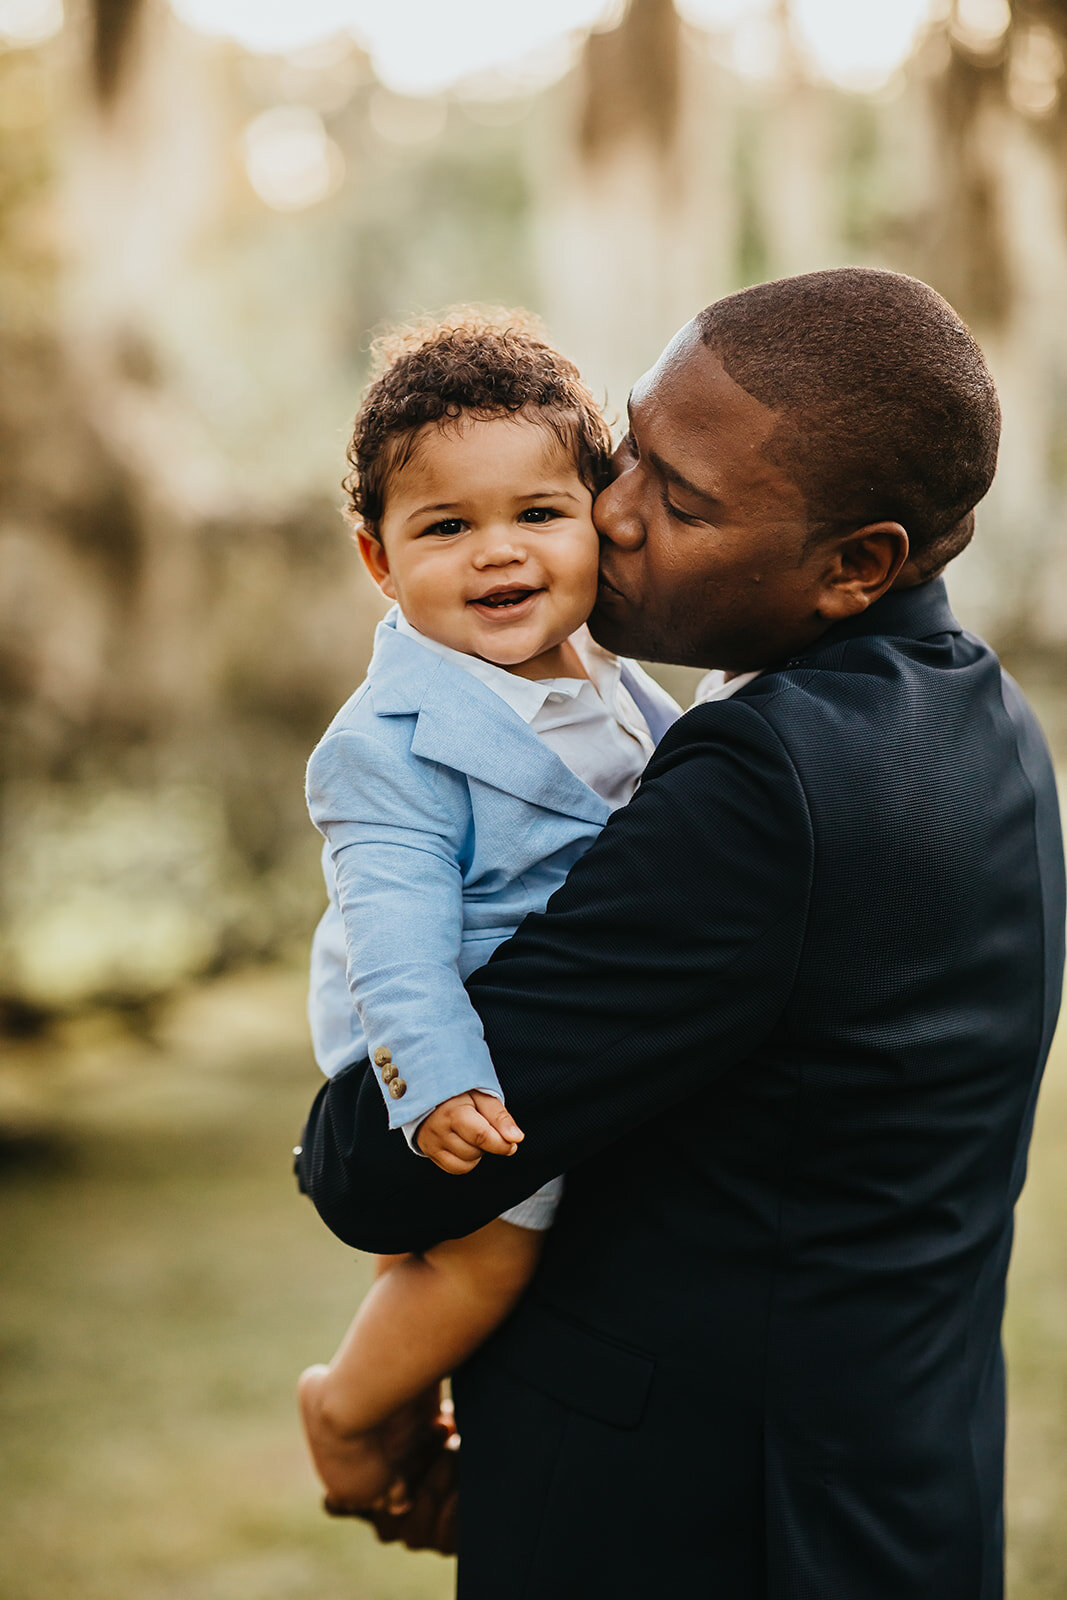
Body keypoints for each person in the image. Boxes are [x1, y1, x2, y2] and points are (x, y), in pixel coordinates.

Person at [297, 268, 1066, 1600]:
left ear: (854, 567)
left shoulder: (765, 788)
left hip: (697, 1524)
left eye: (680, 500)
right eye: (626, 450)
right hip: (891, 1496)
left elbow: (388, 1168)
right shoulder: (980, 717)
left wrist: (340, 1176)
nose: (611, 512)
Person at [296, 311, 680, 1514]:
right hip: (421, 1027)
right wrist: (438, 1082)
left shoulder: (610, 671)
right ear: (378, 559)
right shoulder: (387, 745)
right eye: (445, 527)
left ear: (599, 518)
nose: (496, 554)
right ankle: (352, 1414)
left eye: (535, 514)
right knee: (491, 1253)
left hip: (521, 1020)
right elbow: (398, 938)